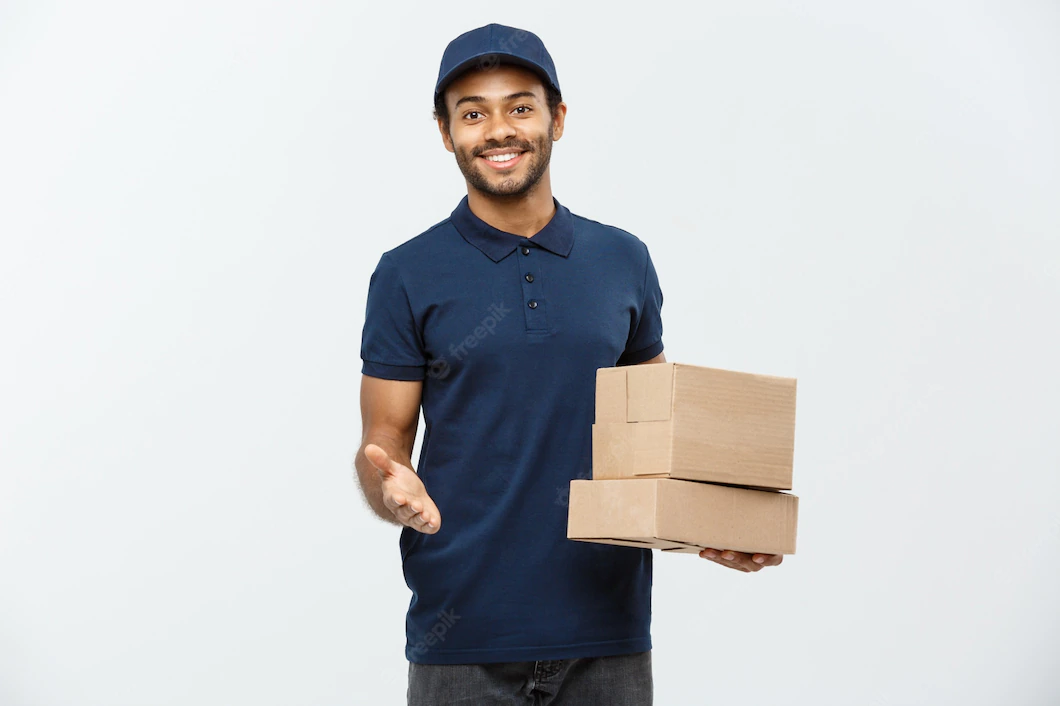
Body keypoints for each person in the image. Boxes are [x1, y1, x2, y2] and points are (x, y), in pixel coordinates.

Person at [354, 22, 783, 706]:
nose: (498, 129)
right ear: (445, 133)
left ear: (556, 117)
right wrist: (390, 491)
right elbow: (384, 448)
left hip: (606, 635)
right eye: (473, 113)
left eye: (520, 106)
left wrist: (713, 528)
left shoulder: (623, 260)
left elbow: (651, 436)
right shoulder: (406, 274)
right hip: (461, 641)